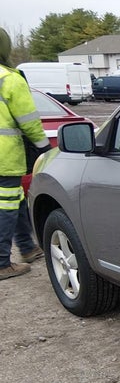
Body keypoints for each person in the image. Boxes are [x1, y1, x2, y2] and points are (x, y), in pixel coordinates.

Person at [0, 27, 51, 280]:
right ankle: (2, 263)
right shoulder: (9, 79)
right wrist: (44, 148)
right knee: (6, 207)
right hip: (4, 158)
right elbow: (29, 121)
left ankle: (28, 247)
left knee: (16, 201)